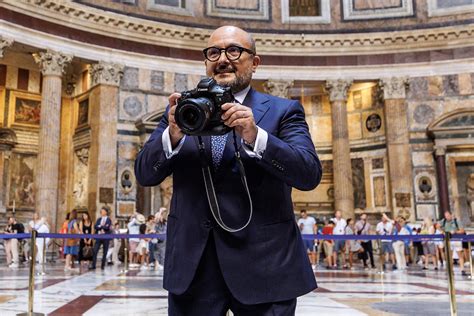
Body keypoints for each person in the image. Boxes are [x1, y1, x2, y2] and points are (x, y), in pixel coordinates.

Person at [135, 25, 322, 315]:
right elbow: (145, 174)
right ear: (206, 62)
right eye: (213, 52)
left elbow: (309, 174)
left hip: (265, 266)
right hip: (193, 269)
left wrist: (255, 135)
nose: (223, 58)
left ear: (255, 62)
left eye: (234, 50)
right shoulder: (182, 112)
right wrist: (172, 135)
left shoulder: (283, 111)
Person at [440, 211, 468, 276]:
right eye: (446, 216)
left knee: (460, 255)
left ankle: (462, 269)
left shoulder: (456, 221)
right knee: (449, 256)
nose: (447, 217)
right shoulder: (444, 222)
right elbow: (438, 226)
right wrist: (442, 231)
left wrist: (455, 232)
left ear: (451, 215)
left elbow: (462, 230)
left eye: (448, 216)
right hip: (448, 240)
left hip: (457, 240)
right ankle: (450, 270)